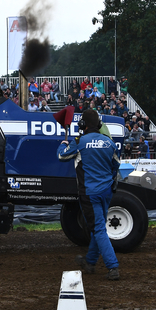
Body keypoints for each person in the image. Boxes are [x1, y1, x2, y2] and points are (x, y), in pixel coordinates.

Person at [58, 109, 121, 281]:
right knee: (96, 227)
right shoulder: (109, 143)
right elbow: (116, 165)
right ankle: (90, 262)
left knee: (99, 229)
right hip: (106, 191)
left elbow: (61, 156)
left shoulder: (79, 141)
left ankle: (113, 266)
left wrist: (63, 143)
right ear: (99, 125)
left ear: (83, 125)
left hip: (89, 193)